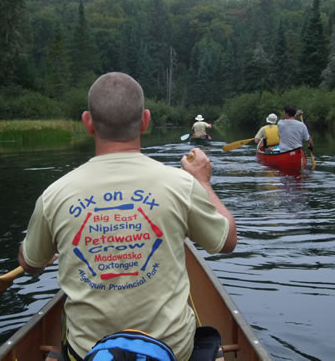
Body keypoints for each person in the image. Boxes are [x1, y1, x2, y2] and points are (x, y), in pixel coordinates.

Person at [18, 72, 237, 361]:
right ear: (145, 121)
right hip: (174, 352)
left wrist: (34, 254)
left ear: (87, 122)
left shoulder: (54, 195)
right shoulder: (182, 185)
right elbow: (227, 241)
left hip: (88, 354)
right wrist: (203, 184)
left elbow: (30, 264)